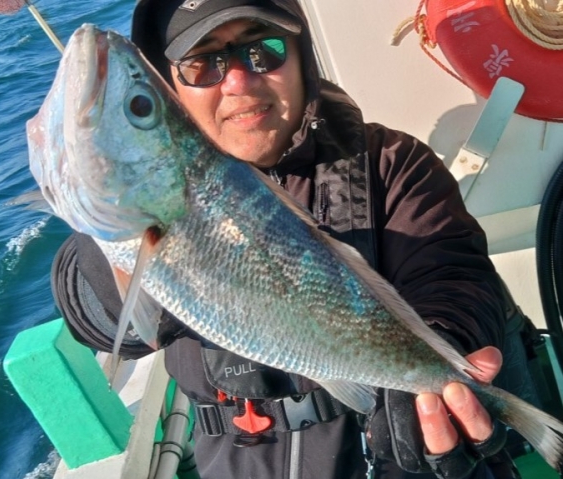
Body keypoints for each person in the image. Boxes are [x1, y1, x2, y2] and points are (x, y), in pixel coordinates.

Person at [51, 1, 518, 478]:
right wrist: (123, 227)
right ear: (170, 85)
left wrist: (443, 343)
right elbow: (101, 323)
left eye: (264, 49)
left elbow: (453, 275)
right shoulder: (138, 209)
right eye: (201, 63)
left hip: (397, 456)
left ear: (301, 55)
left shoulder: (392, 162)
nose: (239, 82)